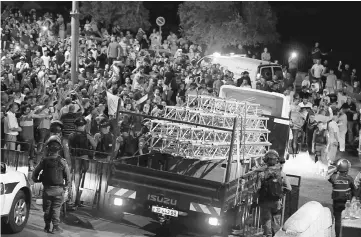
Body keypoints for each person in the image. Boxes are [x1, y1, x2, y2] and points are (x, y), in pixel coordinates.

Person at [31, 135, 70, 234]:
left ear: (48, 148)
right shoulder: (62, 162)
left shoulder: (44, 161)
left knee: (47, 209)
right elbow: (68, 178)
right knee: (56, 208)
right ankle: (55, 227)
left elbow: (35, 172)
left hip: (47, 190)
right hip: (59, 190)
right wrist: (66, 188)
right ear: (59, 149)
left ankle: (47, 226)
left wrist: (36, 179)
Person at [253, 150, 292, 237]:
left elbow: (257, 189)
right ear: (276, 161)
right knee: (276, 220)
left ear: (266, 160)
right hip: (277, 202)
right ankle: (277, 235)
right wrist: (281, 193)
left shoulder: (261, 174)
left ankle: (268, 235)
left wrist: (254, 201)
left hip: (264, 201)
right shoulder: (281, 174)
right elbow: (289, 188)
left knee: (267, 220)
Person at [328, 159, 356, 237]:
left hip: (336, 202)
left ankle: (337, 235)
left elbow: (329, 176)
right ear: (347, 169)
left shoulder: (334, 178)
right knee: (346, 219)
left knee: (337, 220)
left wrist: (335, 170)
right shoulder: (349, 179)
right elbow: (354, 189)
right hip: (346, 202)